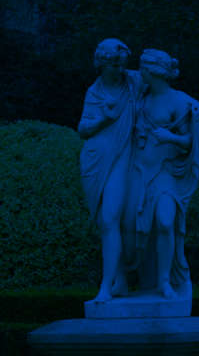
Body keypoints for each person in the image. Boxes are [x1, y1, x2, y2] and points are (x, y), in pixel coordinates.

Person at [126, 48, 199, 299]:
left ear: (153, 71)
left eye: (143, 68)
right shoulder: (140, 97)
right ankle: (128, 279)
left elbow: (190, 142)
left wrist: (170, 137)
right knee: (130, 226)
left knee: (166, 221)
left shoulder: (178, 101)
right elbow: (119, 76)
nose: (139, 72)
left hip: (164, 172)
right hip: (137, 171)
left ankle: (165, 281)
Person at [78, 38, 145, 302]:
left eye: (121, 63)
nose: (119, 69)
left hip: (122, 158)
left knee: (110, 219)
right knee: (104, 222)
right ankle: (119, 281)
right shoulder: (94, 91)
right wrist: (104, 118)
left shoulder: (134, 82)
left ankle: (107, 286)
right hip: (96, 158)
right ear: (101, 64)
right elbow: (83, 129)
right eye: (113, 64)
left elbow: (163, 85)